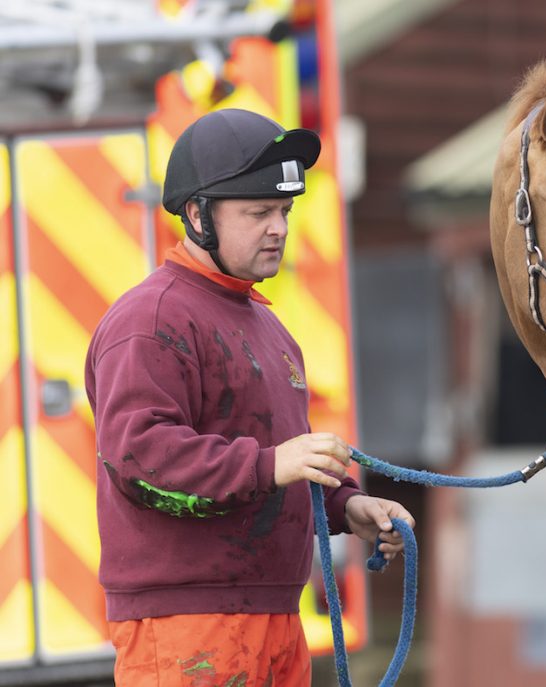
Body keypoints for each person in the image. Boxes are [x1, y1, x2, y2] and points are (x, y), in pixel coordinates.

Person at [85, 108, 413, 685]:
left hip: (276, 618)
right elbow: (139, 459)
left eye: (284, 211)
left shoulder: (269, 328)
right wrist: (270, 463)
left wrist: (347, 508)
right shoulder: (152, 317)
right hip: (188, 623)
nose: (279, 228)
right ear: (198, 215)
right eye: (259, 212)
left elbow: (280, 471)